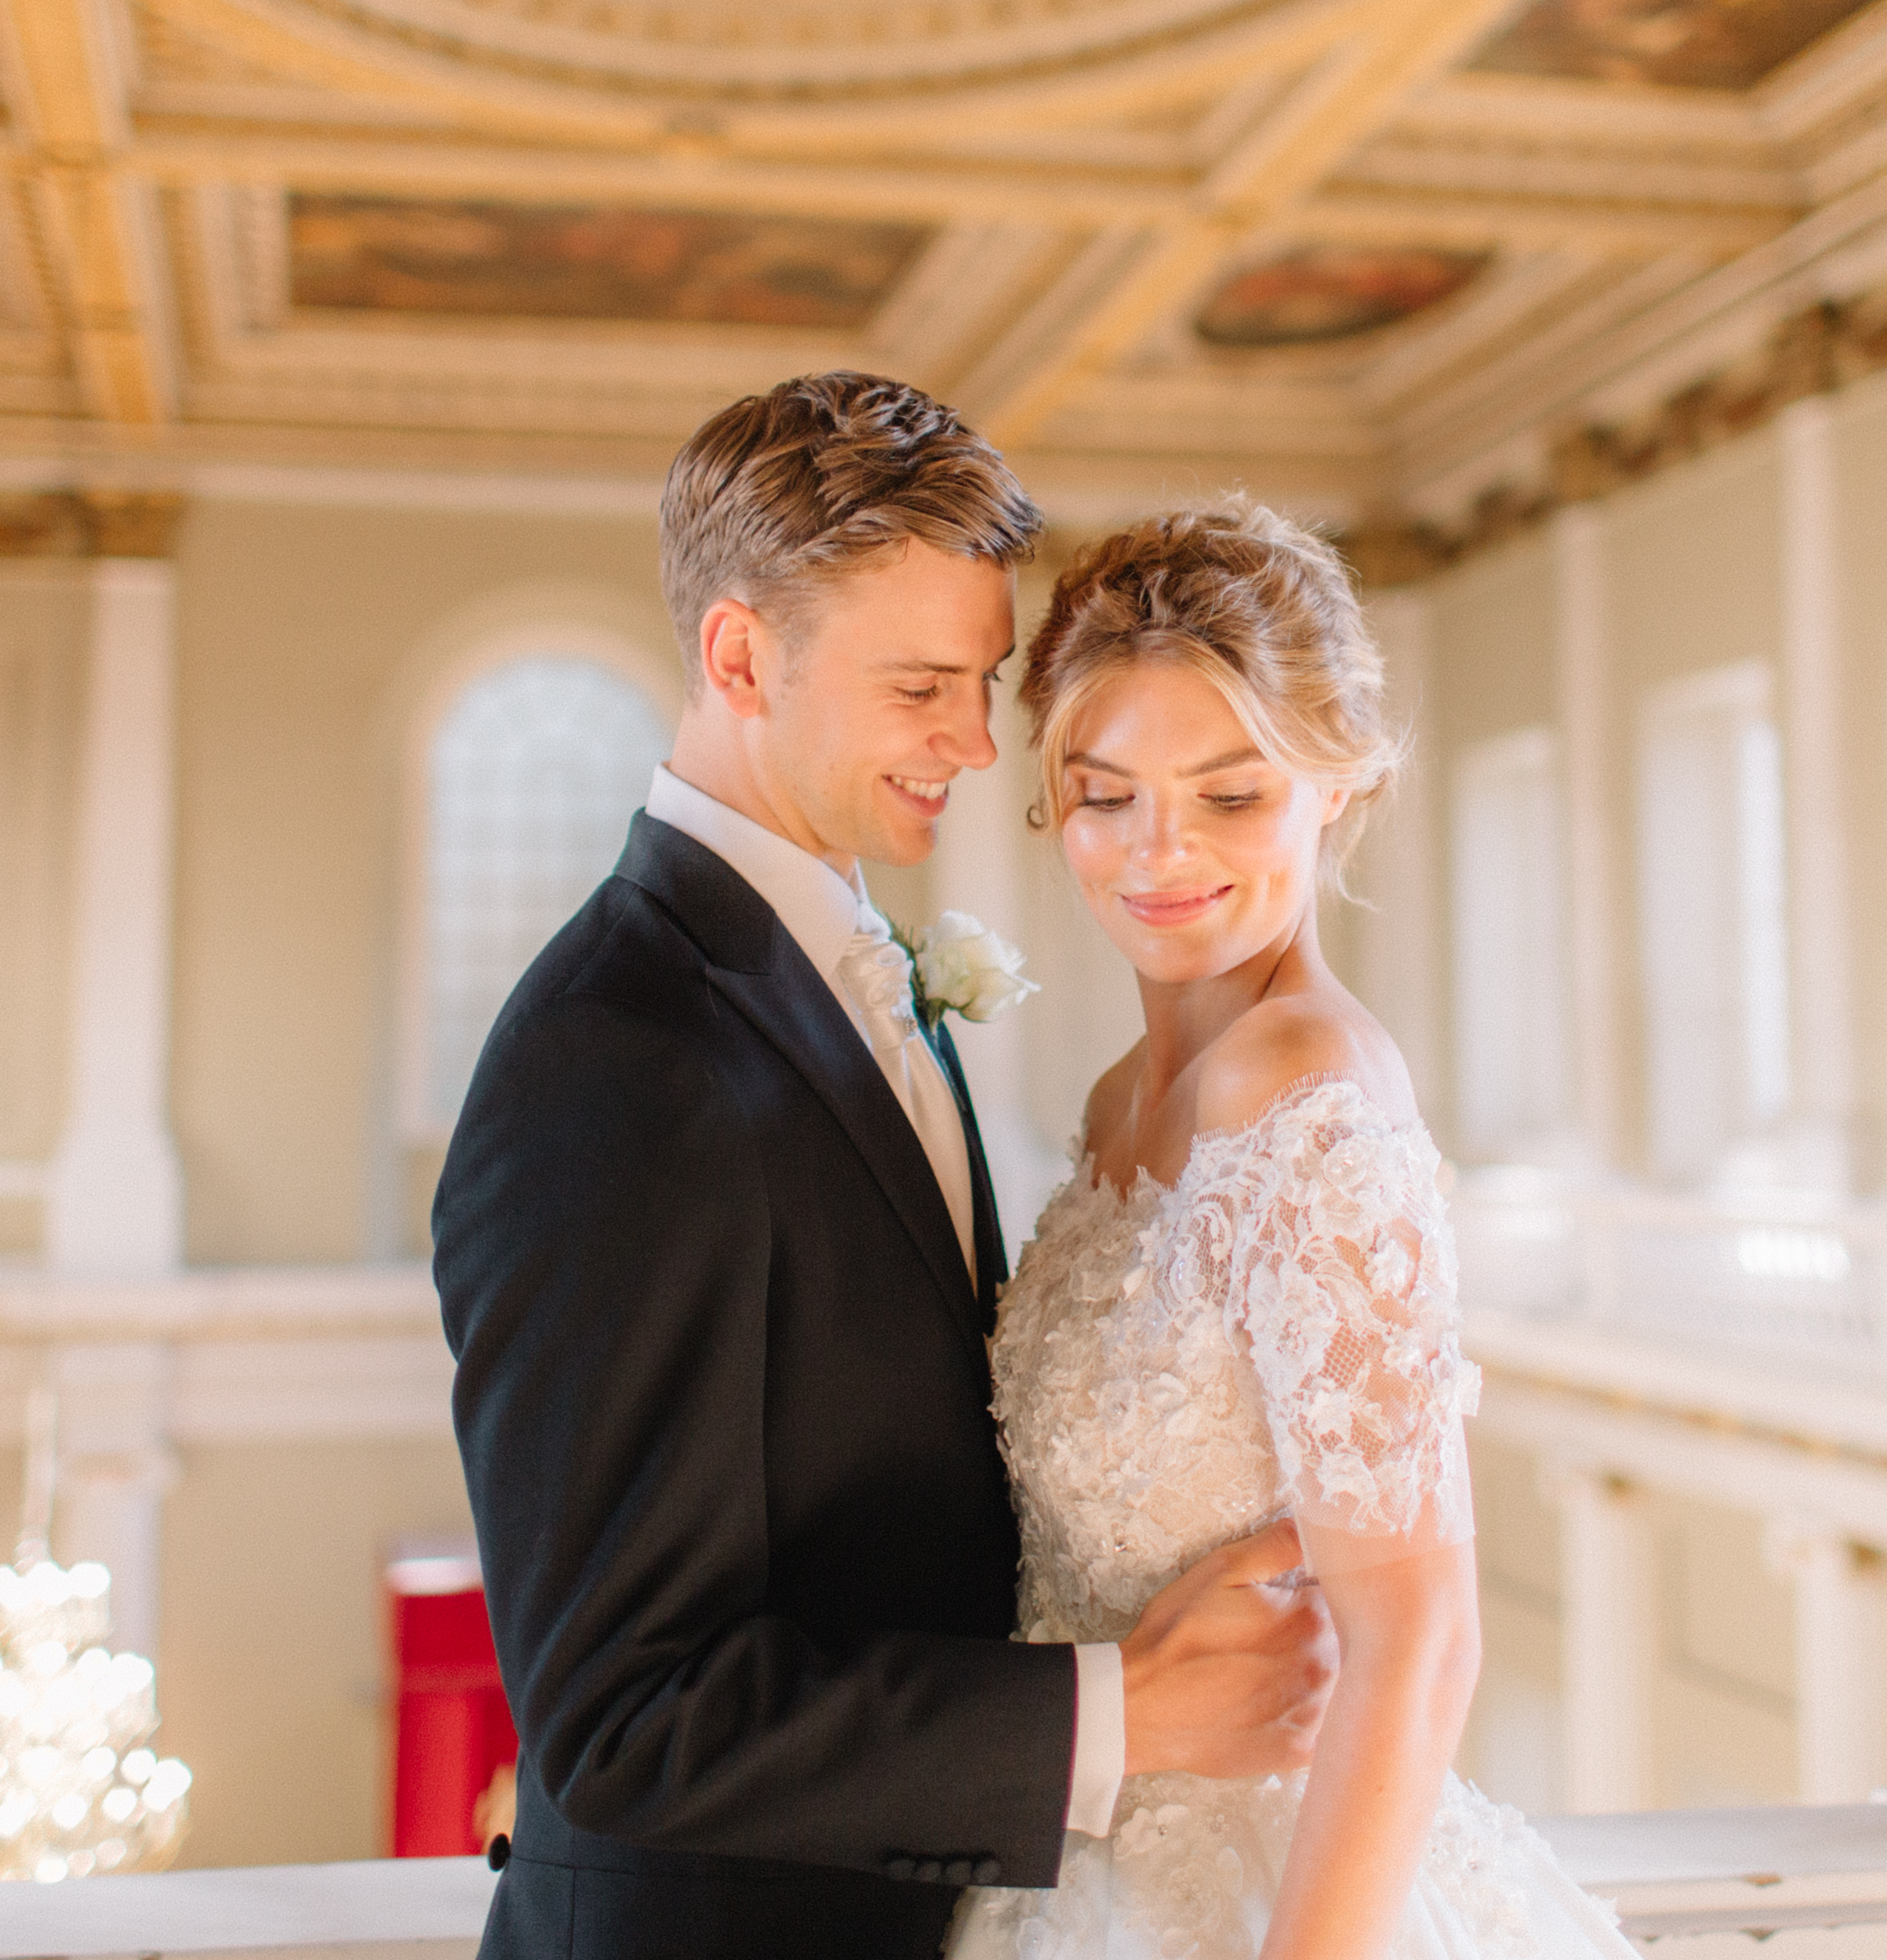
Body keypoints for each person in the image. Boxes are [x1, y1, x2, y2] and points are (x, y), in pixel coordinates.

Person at [433, 376, 1338, 1960]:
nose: (977, 745)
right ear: (738, 658)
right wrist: (1125, 1714)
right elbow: (627, 1721)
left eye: (984, 683)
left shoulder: (825, 961)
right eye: (923, 685)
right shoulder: (614, 1058)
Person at [951, 502, 1635, 1960]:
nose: (1159, 853)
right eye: (1104, 791)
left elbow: (1421, 1637)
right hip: (1075, 1866)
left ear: (1340, 786)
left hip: (1275, 1897)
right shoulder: (1122, 1102)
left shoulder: (1302, 1089)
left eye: (1230, 794)